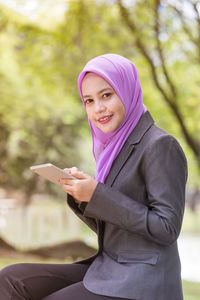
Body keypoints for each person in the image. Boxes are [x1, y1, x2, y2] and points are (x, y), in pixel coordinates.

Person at [0, 54, 187, 300]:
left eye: (106, 95)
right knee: (11, 279)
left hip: (142, 280)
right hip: (109, 267)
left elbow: (167, 227)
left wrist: (97, 194)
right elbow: (116, 225)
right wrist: (84, 197)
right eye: (89, 100)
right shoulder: (116, 149)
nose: (98, 108)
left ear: (127, 90)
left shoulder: (161, 145)